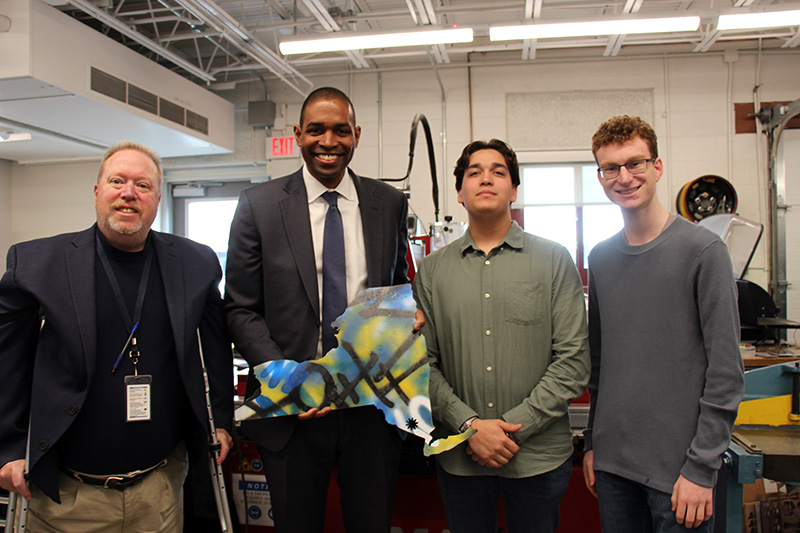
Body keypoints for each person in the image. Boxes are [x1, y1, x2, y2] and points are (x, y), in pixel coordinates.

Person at [0, 141, 233, 532]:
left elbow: (214, 349)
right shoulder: (38, 264)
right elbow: (7, 360)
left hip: (161, 490)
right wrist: (8, 446)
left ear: (157, 199)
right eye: (117, 181)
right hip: (67, 497)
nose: (128, 193)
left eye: (142, 186)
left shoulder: (196, 263)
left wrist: (221, 420)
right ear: (97, 191)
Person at [224, 86, 409, 532]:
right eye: (317, 130)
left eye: (340, 130)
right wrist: (290, 379)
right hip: (292, 412)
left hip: (370, 407)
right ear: (298, 135)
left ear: (357, 135)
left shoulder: (388, 204)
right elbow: (240, 309)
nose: (329, 141)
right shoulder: (259, 206)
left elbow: (396, 287)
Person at [413, 139, 590, 533]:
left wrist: (512, 428)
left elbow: (573, 361)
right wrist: (470, 426)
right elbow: (422, 364)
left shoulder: (554, 260)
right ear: (460, 193)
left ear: (514, 189)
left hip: (538, 458)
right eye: (474, 172)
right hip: (461, 456)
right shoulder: (432, 271)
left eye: (498, 171)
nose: (486, 179)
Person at [582, 115, 745, 531]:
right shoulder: (600, 258)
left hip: (679, 475)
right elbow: (601, 363)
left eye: (635, 163)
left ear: (657, 167)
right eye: (611, 168)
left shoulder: (703, 252)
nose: (624, 177)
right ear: (600, 177)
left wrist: (701, 467)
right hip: (613, 468)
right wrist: (593, 445)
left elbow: (726, 371)